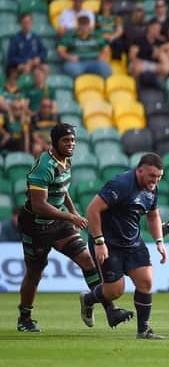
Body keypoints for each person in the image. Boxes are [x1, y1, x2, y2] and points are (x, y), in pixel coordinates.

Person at [16, 124, 132, 332]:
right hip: (36, 226)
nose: (71, 144)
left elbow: (63, 189)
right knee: (35, 273)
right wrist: (70, 216)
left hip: (58, 223)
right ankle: (24, 317)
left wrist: (73, 212)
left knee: (87, 260)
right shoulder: (44, 166)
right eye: (65, 141)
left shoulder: (65, 160)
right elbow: (39, 205)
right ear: (54, 143)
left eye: (72, 140)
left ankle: (109, 309)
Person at [82, 153, 169, 339]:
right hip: (108, 243)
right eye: (152, 176)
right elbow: (92, 209)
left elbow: (153, 216)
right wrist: (99, 242)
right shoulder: (121, 184)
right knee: (114, 291)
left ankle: (143, 330)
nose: (155, 180)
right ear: (139, 171)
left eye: (159, 177)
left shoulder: (152, 188)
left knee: (146, 282)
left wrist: (159, 242)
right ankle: (88, 299)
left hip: (133, 242)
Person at [57, 15, 112, 79]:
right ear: (78, 25)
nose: (84, 27)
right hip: (77, 62)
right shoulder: (71, 35)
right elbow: (60, 50)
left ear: (89, 25)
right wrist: (68, 57)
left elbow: (106, 48)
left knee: (106, 70)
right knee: (73, 71)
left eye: (86, 24)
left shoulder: (96, 35)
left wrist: (103, 55)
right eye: (82, 24)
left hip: (94, 60)